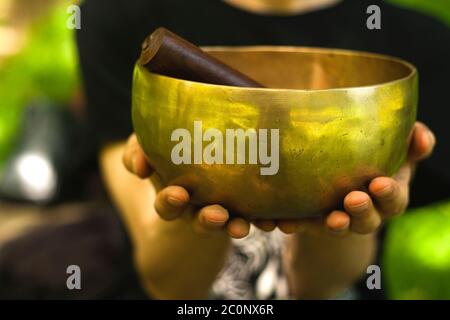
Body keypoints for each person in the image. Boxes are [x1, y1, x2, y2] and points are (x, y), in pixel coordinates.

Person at [77, 0, 448, 299]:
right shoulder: (122, 14)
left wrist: (350, 217)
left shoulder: (422, 41)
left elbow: (319, 288)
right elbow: (170, 286)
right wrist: (195, 201)